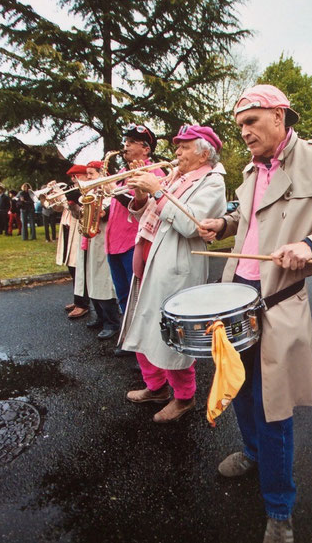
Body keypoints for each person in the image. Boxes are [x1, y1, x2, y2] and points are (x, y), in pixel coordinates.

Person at [198, 84, 312, 543]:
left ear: (280, 116)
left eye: (252, 121)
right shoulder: (250, 170)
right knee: (237, 389)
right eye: (239, 125)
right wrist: (224, 224)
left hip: (278, 302)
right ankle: (253, 453)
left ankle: (279, 509)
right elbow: (250, 218)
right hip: (233, 296)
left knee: (273, 405)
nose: (243, 132)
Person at [118, 124, 227, 423]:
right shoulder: (175, 176)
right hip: (149, 257)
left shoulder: (213, 182)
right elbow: (149, 213)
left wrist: (157, 191)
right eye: (177, 145)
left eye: (184, 146)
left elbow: (192, 225)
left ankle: (184, 397)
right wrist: (142, 196)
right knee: (142, 325)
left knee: (173, 334)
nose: (176, 151)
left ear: (203, 151)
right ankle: (155, 387)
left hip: (175, 265)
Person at [105, 124, 165, 357]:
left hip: (133, 243)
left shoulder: (155, 174)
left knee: (138, 297)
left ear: (145, 148)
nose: (125, 146)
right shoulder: (122, 175)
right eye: (125, 141)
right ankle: (129, 338)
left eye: (130, 142)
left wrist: (114, 190)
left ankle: (142, 343)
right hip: (114, 243)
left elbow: (147, 206)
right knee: (122, 295)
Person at [74, 161, 120, 340]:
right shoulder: (91, 192)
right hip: (91, 242)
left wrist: (102, 211)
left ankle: (112, 322)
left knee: (103, 282)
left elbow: (111, 211)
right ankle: (100, 316)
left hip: (103, 242)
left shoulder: (110, 191)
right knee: (92, 279)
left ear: (103, 173)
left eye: (92, 174)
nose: (89, 178)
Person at [52, 167, 90, 319]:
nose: (73, 179)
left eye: (76, 176)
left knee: (79, 269)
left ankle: (83, 304)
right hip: (68, 230)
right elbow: (56, 208)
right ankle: (77, 300)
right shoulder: (72, 190)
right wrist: (54, 194)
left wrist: (69, 199)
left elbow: (78, 213)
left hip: (79, 232)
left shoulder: (85, 190)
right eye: (72, 177)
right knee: (72, 269)